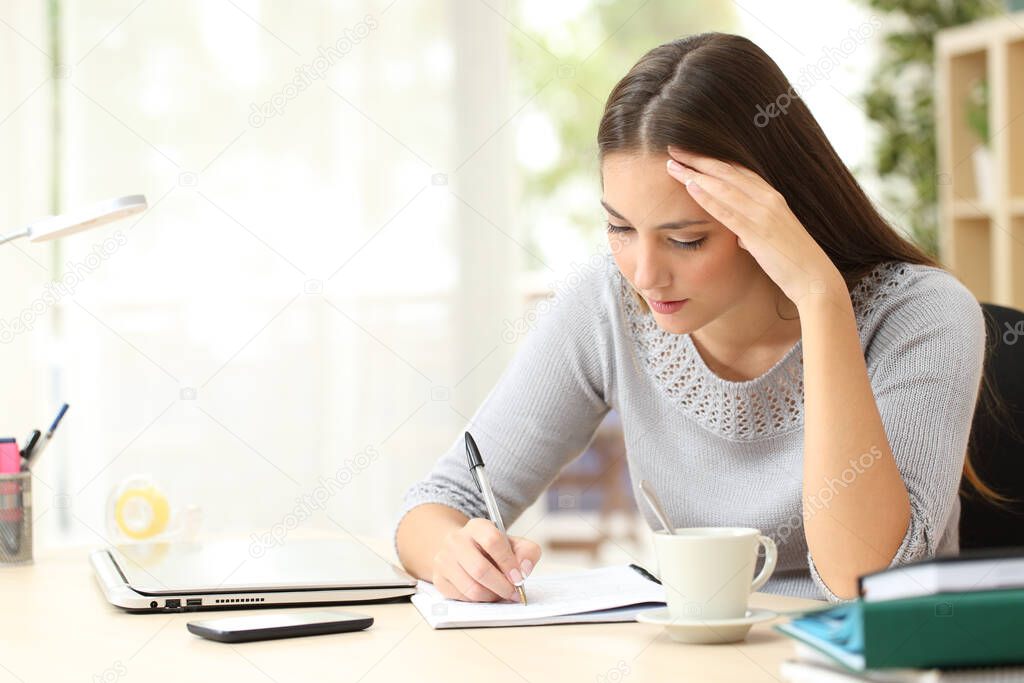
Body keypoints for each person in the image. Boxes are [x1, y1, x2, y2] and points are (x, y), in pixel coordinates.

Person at [394, 32, 999, 604]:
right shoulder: (608, 303)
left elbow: (862, 579)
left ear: (771, 212)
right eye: (621, 228)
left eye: (686, 240)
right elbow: (437, 503)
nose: (645, 275)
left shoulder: (922, 314)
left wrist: (821, 299)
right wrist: (455, 553)